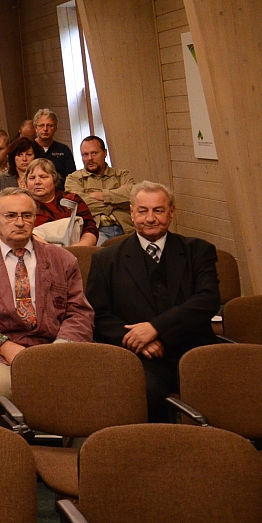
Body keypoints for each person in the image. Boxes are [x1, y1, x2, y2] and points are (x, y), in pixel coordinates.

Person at [0, 187, 95, 423]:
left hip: (54, 347)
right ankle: (2, 446)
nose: (20, 222)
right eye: (11, 216)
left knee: (85, 385)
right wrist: (4, 347)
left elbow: (80, 312)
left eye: (27, 215)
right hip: (1, 353)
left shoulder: (62, 259)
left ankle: (77, 447)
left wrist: (60, 349)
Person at [85, 181, 221, 422]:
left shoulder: (199, 251)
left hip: (193, 349)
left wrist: (156, 329)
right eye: (143, 211)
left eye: (158, 210)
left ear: (171, 212)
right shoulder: (106, 260)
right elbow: (99, 315)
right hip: (139, 356)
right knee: (144, 392)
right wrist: (138, 340)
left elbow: (207, 300)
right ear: (132, 212)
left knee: (227, 386)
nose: (150, 218)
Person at [65, 137, 135, 244]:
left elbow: (134, 198)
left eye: (94, 153)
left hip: (126, 228)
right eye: (85, 154)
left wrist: (102, 195)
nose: (90, 158)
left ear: (105, 153)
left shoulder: (122, 174)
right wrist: (118, 199)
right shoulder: (73, 178)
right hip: (96, 231)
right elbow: (81, 207)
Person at [26, 159, 98, 247]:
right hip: (38, 251)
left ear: (54, 180)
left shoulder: (72, 199)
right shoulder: (22, 206)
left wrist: (79, 248)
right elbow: (22, 234)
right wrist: (55, 251)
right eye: (32, 178)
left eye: (43, 177)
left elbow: (90, 228)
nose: (37, 182)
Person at [0, 136, 37, 210]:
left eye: (28, 154)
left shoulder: (42, 180)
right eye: (19, 155)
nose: (24, 159)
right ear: (13, 157)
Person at [30, 109, 76, 183]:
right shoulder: (28, 148)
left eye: (50, 125)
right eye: (41, 125)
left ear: (55, 128)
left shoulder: (63, 150)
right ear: (35, 128)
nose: (45, 129)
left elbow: (72, 177)